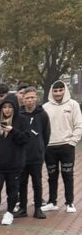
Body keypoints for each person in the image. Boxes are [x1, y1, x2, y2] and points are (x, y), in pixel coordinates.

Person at [0, 97, 28, 226]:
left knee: (12, 190)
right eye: (4, 107)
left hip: (14, 163)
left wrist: (12, 131)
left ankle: (9, 213)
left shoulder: (21, 120)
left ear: (14, 107)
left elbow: (26, 139)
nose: (7, 110)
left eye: (10, 107)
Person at [42, 80, 82, 213]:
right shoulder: (45, 107)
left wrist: (72, 142)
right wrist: (44, 144)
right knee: (51, 176)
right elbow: (42, 128)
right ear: (51, 92)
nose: (58, 93)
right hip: (50, 148)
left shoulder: (73, 105)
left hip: (66, 147)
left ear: (65, 90)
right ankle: (52, 202)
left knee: (68, 175)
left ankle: (69, 203)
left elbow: (79, 125)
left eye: (60, 90)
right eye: (55, 90)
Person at [16, 88, 50, 219]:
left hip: (36, 156)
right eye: (27, 98)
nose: (29, 100)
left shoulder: (42, 114)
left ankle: (38, 209)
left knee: (37, 183)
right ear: (23, 100)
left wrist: (40, 148)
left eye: (32, 97)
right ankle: (22, 208)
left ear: (36, 98)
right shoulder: (19, 115)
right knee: (22, 183)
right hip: (22, 155)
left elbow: (46, 135)